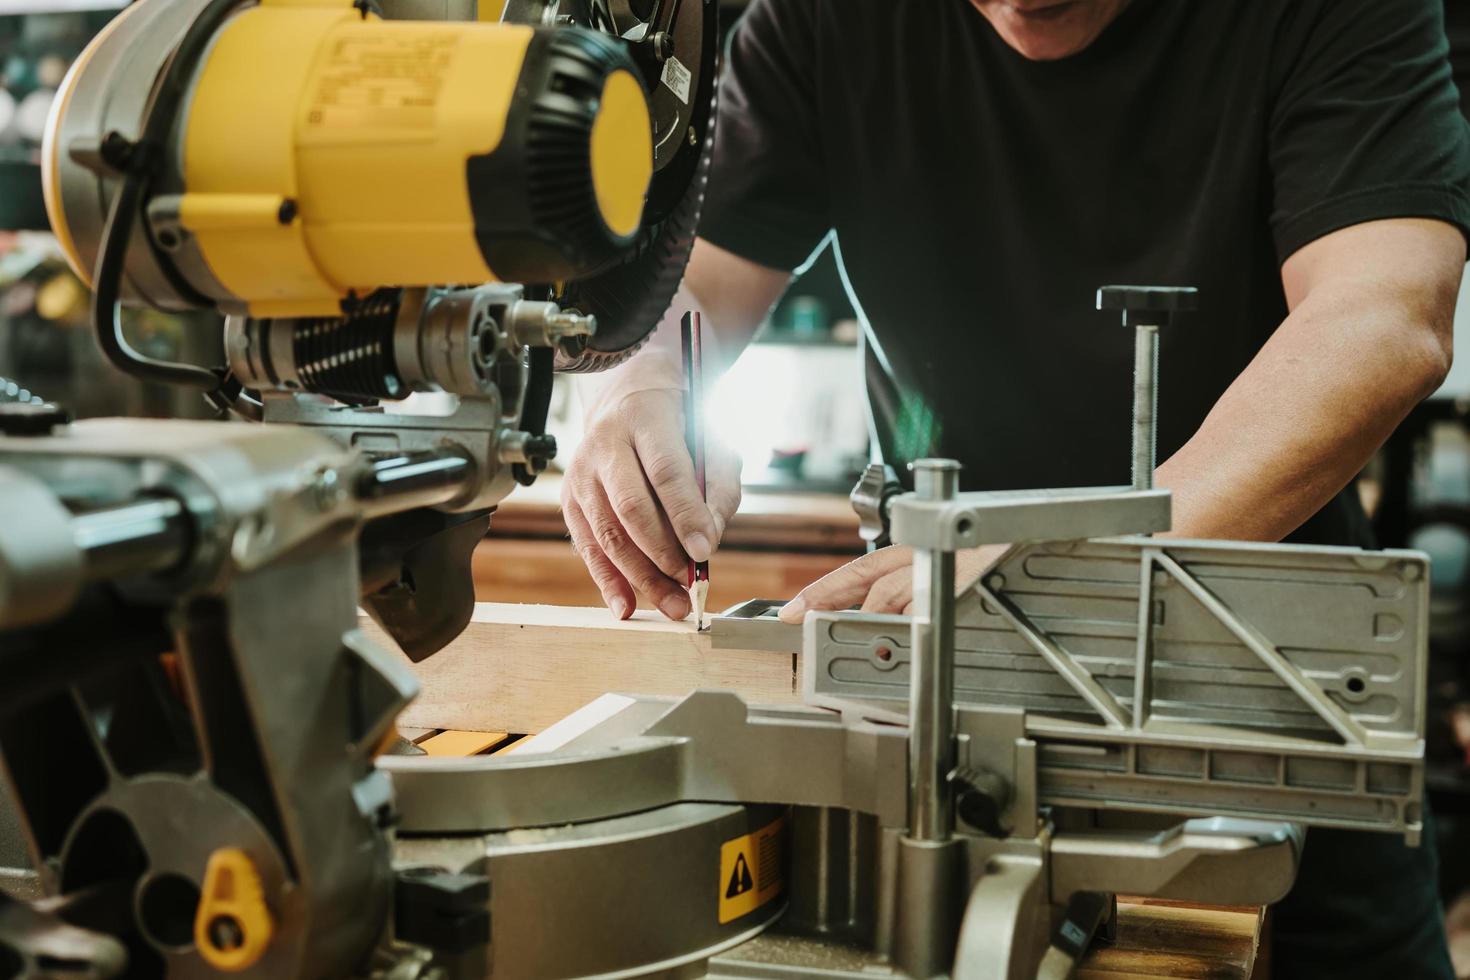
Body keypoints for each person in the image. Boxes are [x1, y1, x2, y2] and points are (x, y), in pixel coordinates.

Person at [563, 0, 1470, 973]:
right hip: (935, 693)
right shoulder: (824, 22)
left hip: (1269, 685)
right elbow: (686, 288)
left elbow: (1382, 320)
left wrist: (1067, 560)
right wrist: (636, 378)